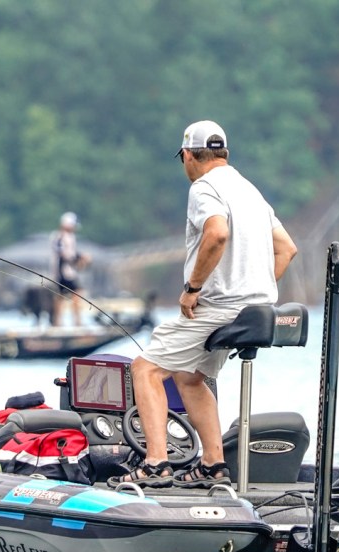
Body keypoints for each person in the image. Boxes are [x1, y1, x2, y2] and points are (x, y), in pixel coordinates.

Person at [115, 120, 297, 487]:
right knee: (190, 377)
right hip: (255, 310)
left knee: (145, 369)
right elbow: (287, 249)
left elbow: (217, 233)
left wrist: (192, 288)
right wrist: (255, 287)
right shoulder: (249, 190)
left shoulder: (204, 187)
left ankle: (156, 463)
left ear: (187, 155)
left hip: (219, 308)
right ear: (223, 153)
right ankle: (213, 465)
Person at [51, 211, 90, 326]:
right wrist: (80, 259)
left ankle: (63, 322)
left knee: (62, 296)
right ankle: (69, 322)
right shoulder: (59, 237)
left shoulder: (70, 237)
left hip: (70, 271)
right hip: (63, 272)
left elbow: (71, 253)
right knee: (72, 294)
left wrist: (80, 258)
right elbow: (63, 254)